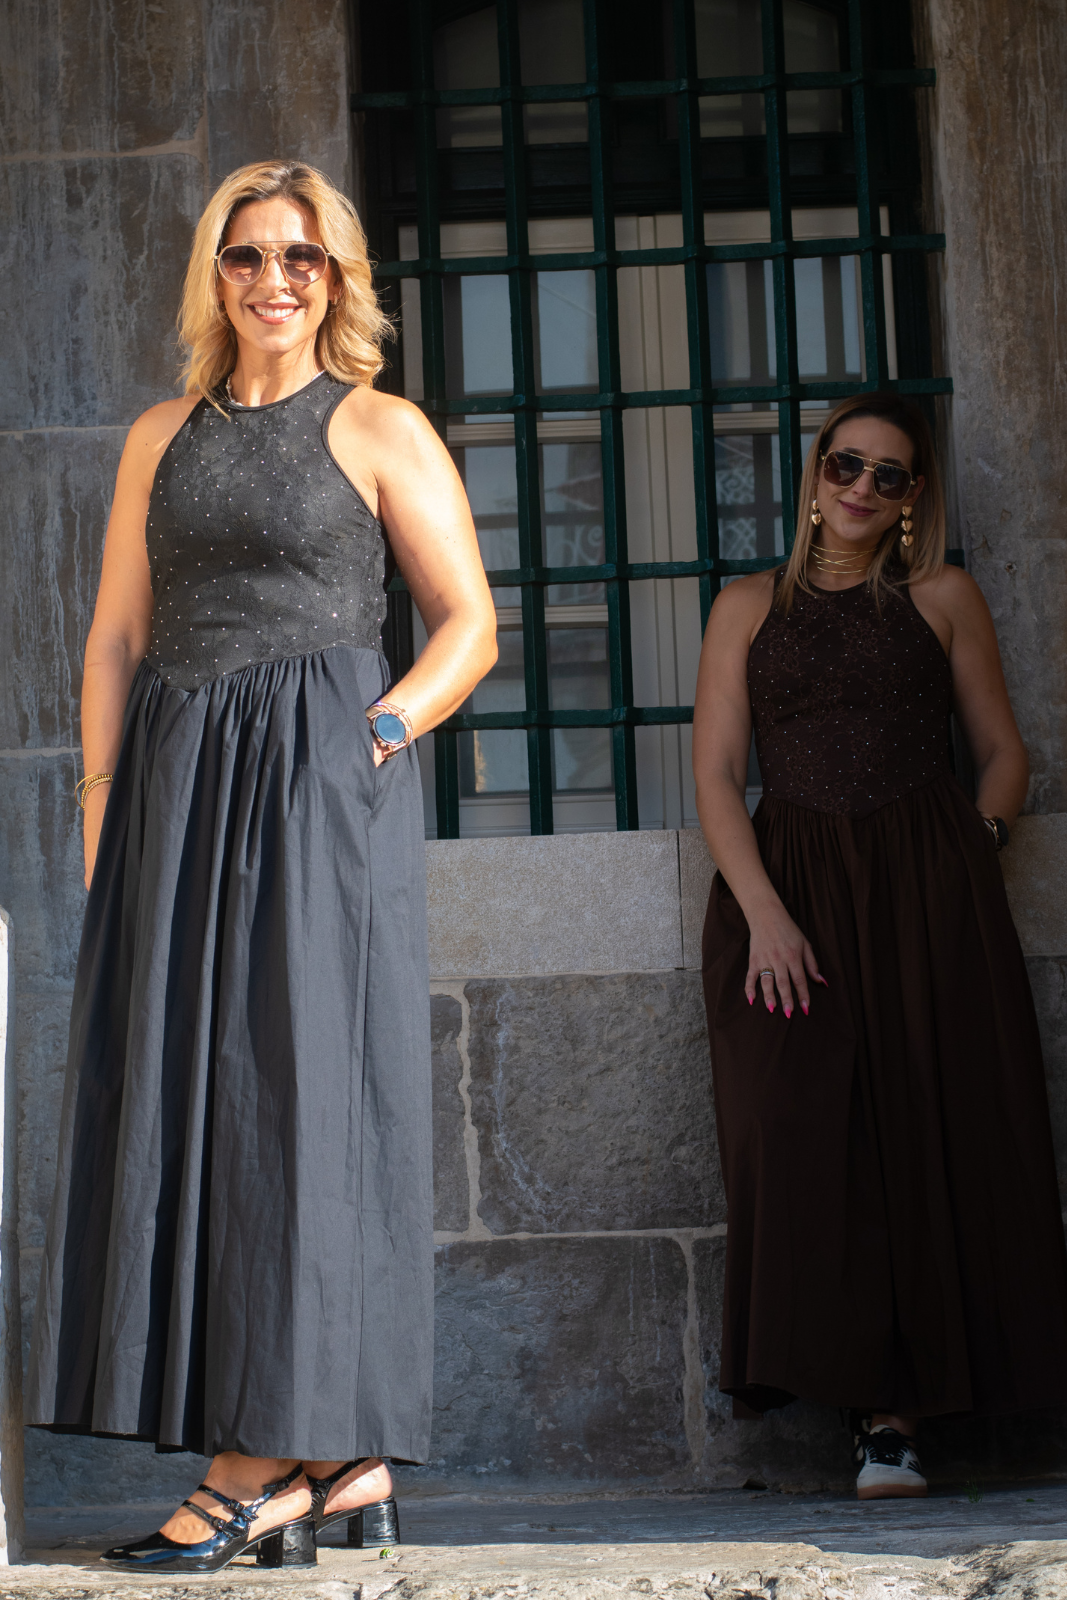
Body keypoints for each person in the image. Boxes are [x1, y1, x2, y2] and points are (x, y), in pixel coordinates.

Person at [25, 159, 497, 1571]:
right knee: (200, 1102)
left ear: (335, 277)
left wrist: (371, 737)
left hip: (315, 784)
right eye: (245, 254)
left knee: (302, 1111)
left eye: (301, 256)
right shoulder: (158, 435)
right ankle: (341, 1463)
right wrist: (102, 808)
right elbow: (116, 636)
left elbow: (467, 625)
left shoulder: (379, 425)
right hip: (174, 784)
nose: (272, 278)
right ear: (213, 273)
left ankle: (254, 1463)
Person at [693, 392, 1067, 1500]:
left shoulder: (941, 598)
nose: (861, 486)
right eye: (844, 465)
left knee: (928, 1129)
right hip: (787, 893)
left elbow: (1002, 753)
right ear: (814, 476)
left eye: (887, 475)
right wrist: (763, 913)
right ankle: (850, 1387)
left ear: (911, 499)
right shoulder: (744, 606)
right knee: (794, 1133)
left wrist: (970, 852)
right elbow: (715, 774)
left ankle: (892, 1424)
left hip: (928, 891)